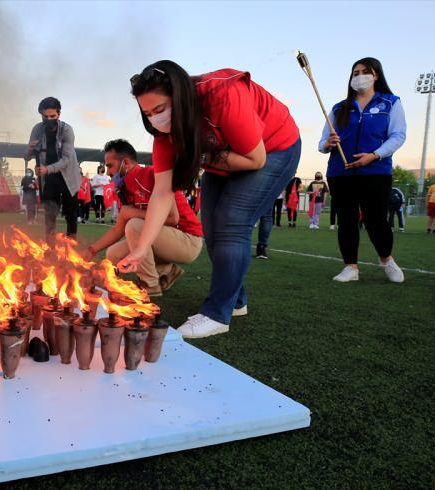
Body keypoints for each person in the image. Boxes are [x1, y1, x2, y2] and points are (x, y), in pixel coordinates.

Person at [117, 61, 301, 338]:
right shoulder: (164, 137)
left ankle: (217, 314)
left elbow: (255, 159)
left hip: (273, 149)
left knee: (232, 221)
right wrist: (142, 248)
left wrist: (200, 156)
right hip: (221, 157)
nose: (155, 118)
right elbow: (162, 192)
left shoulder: (221, 95)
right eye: (148, 113)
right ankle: (236, 300)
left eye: (160, 109)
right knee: (212, 229)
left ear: (179, 97)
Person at [319, 57, 406, 282]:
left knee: (376, 219)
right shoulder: (339, 108)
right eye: (355, 73)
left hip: (376, 171)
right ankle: (351, 267)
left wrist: (374, 155)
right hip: (340, 172)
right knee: (346, 219)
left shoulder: (390, 102)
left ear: (376, 75)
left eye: (364, 72)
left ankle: (386, 259)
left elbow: (398, 135)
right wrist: (328, 143)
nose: (359, 77)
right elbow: (321, 144)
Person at [83, 139, 203, 296]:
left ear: (125, 163)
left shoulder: (154, 174)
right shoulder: (124, 188)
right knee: (113, 254)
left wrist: (132, 213)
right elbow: (118, 230)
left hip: (188, 240)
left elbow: (173, 218)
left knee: (134, 225)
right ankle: (167, 271)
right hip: (163, 238)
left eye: (110, 166)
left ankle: (150, 286)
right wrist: (91, 250)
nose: (108, 172)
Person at [26, 97, 81, 241]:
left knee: (71, 214)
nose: (49, 119)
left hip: (68, 177)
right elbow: (28, 156)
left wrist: (47, 169)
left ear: (59, 114)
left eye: (53, 116)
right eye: (46, 116)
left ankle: (71, 249)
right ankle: (50, 249)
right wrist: (29, 151)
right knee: (50, 214)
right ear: (41, 115)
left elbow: (66, 160)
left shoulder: (67, 130)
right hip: (49, 179)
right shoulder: (37, 130)